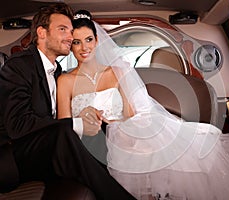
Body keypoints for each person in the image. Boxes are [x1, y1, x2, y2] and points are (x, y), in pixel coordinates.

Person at [57, 10, 229, 200]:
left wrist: (109, 121)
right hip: (86, 140)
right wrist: (83, 118)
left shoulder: (116, 72)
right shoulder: (65, 81)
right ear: (70, 45)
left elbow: (131, 113)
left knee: (142, 146)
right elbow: (63, 125)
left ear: (96, 41)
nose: (83, 47)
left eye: (88, 39)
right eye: (76, 42)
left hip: (118, 131)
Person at [0, 3, 136, 200]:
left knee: (100, 131)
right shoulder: (18, 66)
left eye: (70, 31)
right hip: (11, 158)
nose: (70, 37)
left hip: (43, 152)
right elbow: (18, 126)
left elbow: (54, 118)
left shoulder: (56, 72)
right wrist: (77, 123)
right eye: (62, 29)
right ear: (42, 33)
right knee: (66, 131)